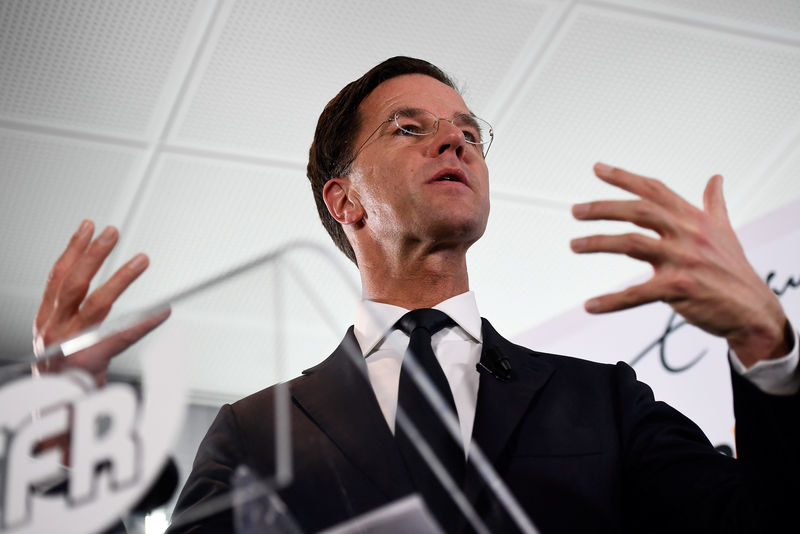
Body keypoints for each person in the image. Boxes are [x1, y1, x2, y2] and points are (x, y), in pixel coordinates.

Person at [34, 57, 798, 533]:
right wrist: (69, 434)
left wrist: (769, 350)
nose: (455, 140)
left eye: (468, 130)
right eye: (410, 128)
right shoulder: (253, 436)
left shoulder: (604, 401)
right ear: (345, 202)